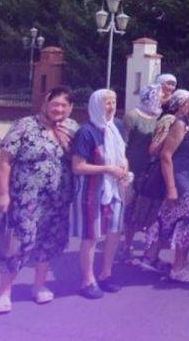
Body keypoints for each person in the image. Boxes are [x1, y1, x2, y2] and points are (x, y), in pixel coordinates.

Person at [0, 86, 78, 314]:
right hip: (25, 198)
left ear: (70, 108)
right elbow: (5, 161)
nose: (58, 109)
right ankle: (4, 292)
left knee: (48, 242)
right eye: (54, 104)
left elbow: (82, 158)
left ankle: (39, 284)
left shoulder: (72, 128)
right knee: (19, 242)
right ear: (45, 104)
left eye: (63, 105)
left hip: (58, 200)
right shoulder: (25, 126)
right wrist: (2, 193)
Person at [144, 87, 189, 283]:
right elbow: (166, 156)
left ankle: (170, 261)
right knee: (185, 225)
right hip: (184, 184)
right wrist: (172, 187)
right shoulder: (181, 125)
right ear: (188, 104)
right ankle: (178, 268)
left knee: (181, 224)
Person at [70, 89, 128, 299]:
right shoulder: (86, 132)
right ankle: (88, 280)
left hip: (115, 190)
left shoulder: (117, 126)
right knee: (91, 236)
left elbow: (122, 154)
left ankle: (106, 274)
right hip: (93, 192)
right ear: (96, 105)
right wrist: (108, 169)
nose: (110, 107)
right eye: (106, 103)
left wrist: (123, 169)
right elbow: (78, 166)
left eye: (113, 102)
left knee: (113, 233)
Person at [121, 82, 164, 262]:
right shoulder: (132, 116)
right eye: (159, 95)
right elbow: (124, 143)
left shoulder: (160, 117)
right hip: (134, 169)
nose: (162, 98)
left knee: (150, 211)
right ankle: (126, 245)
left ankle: (148, 250)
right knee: (131, 210)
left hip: (151, 171)